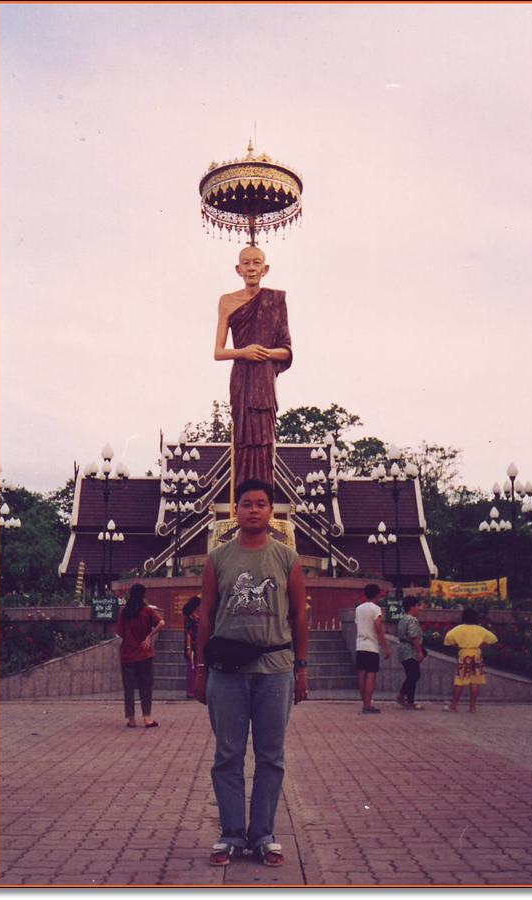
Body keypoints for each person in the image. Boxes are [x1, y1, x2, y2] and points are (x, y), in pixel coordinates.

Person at [195, 478, 308, 868]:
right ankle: (230, 834)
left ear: (272, 511)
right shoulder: (218, 559)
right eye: (246, 503)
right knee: (227, 754)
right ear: (236, 510)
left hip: (275, 670)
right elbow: (205, 616)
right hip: (227, 671)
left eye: (261, 503)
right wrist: (200, 669)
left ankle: (262, 834)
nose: (254, 510)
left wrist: (301, 668)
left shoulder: (287, 558)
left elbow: (299, 615)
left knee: (270, 756)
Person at [214, 246, 292, 486]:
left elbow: (286, 350)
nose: (251, 268)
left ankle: (265, 495)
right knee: (243, 437)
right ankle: (243, 496)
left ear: (265, 269)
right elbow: (218, 352)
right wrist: (244, 352)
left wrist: (264, 352)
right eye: (246, 263)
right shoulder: (227, 301)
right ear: (238, 269)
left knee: (265, 436)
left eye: (256, 263)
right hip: (242, 377)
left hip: (264, 379)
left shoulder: (276, 300)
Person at [115, 583, 165, 728]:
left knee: (129, 688)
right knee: (146, 686)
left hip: (127, 654)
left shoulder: (125, 611)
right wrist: (149, 636)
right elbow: (162, 623)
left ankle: (131, 719)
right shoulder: (147, 610)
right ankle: (147, 718)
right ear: (143, 595)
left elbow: (119, 633)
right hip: (144, 653)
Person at [442, 607, 498, 713]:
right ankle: (472, 707)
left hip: (464, 654)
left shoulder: (458, 629)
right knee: (475, 681)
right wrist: (481, 646)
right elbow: (493, 638)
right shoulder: (480, 629)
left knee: (460, 680)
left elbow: (448, 639)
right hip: (476, 654)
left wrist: (457, 646)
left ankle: (454, 705)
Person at [355, 584, 390, 714]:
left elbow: (357, 624)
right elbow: (378, 628)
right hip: (371, 646)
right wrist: (385, 647)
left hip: (360, 645)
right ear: (377, 595)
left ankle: (364, 702)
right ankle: (367, 704)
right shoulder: (376, 609)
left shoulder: (358, 609)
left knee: (361, 674)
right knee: (371, 674)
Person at [396, 597, 425, 710]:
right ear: (412, 607)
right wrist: (419, 651)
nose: (419, 609)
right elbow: (414, 636)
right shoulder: (412, 620)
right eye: (417, 606)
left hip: (403, 650)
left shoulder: (403, 619)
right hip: (410, 650)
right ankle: (407, 699)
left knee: (412, 675)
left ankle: (405, 697)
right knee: (414, 674)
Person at [182, 596, 201, 699]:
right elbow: (188, 633)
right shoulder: (189, 618)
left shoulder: (195, 616)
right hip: (192, 646)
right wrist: (189, 648)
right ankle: (191, 692)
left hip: (197, 645)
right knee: (191, 669)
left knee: (196, 668)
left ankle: (195, 691)